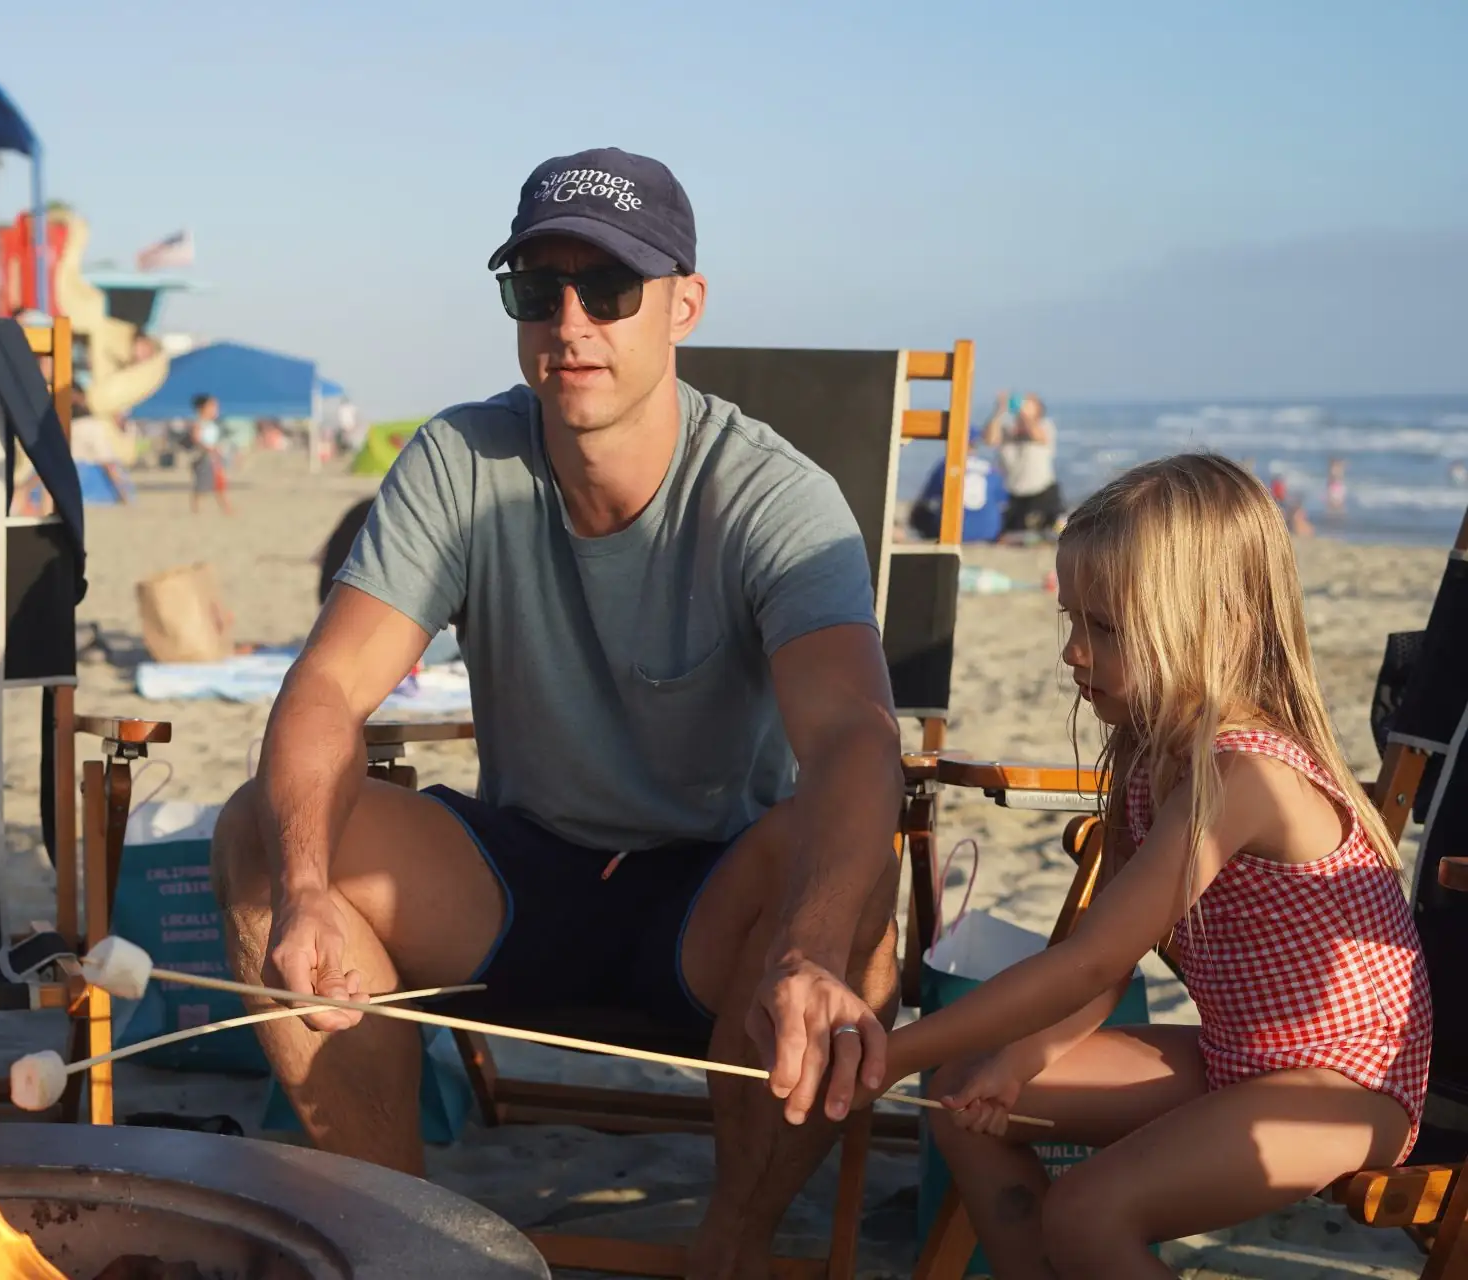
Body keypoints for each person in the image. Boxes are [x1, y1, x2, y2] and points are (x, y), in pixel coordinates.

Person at [211, 146, 905, 1279]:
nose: (571, 321)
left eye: (611, 288)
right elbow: (329, 686)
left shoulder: (774, 494)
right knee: (258, 827)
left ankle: (730, 1242)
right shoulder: (461, 456)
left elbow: (853, 739)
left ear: (685, 303)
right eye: (539, 290)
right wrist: (300, 889)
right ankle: (404, 1234)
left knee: (856, 883)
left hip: (710, 904)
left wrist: (816, 947)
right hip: (515, 883)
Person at [857, 453, 1432, 1279]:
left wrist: (892, 1052)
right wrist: (1018, 1060)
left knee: (1093, 1208)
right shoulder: (1148, 761)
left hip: (1347, 1087)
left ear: (1216, 626)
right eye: (1072, 622)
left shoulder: (1241, 778)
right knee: (964, 1097)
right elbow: (1102, 966)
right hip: (1241, 1055)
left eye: (1105, 629)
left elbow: (1086, 961)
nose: (1072, 656)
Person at [983, 391, 1063, 540]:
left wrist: (1025, 414)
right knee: (1010, 535)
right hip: (1014, 494)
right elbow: (989, 439)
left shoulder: (1045, 425)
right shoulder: (1007, 429)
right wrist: (999, 412)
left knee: (1048, 533)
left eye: (1029, 403)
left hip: (1041, 491)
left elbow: (1037, 435)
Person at [188, 393, 233, 515]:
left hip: (215, 457)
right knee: (202, 486)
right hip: (204, 457)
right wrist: (208, 448)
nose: (215, 409)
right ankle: (196, 509)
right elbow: (196, 439)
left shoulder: (214, 424)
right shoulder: (199, 423)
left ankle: (227, 509)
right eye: (212, 406)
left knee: (220, 484)